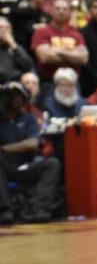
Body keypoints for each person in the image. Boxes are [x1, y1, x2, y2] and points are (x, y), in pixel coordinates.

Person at [0, 82, 61, 224]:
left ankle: (39, 209)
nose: (13, 98)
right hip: (4, 165)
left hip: (26, 164)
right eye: (9, 95)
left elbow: (33, 144)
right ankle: (4, 210)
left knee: (52, 163)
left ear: (23, 98)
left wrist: (4, 148)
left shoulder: (28, 118)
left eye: (16, 95)